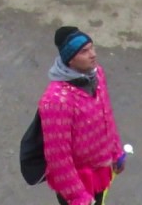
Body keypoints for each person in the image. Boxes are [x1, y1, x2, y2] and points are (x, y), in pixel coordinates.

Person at [38, 26, 125, 205]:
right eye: (84, 51)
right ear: (70, 59)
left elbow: (106, 115)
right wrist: (78, 196)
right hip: (76, 184)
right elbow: (58, 157)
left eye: (92, 48)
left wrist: (116, 152)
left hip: (100, 172)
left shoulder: (97, 74)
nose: (93, 54)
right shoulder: (56, 100)